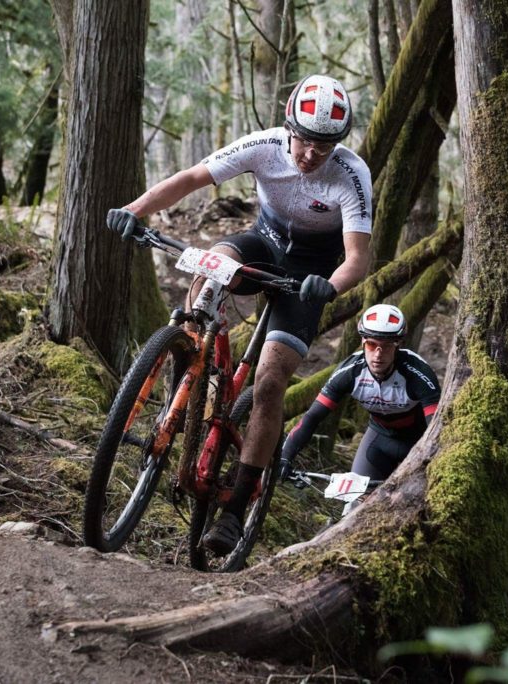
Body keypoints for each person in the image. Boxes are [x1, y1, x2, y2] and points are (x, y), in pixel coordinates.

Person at [106, 74, 372, 556]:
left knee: (269, 384)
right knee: (213, 266)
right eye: (306, 140)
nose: (312, 153)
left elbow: (357, 258)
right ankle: (188, 362)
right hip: (263, 245)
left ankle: (233, 513)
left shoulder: (351, 175)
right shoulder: (266, 145)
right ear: (289, 127)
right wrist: (136, 209)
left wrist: (328, 286)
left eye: (325, 145)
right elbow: (192, 178)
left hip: (308, 276)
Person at [278, 304, 441, 487]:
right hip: (378, 440)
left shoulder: (418, 374)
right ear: (363, 342)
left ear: (398, 346)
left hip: (419, 441)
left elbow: (436, 428)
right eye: (372, 344)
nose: (378, 354)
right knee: (355, 502)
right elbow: (312, 417)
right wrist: (285, 457)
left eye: (386, 346)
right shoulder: (350, 372)